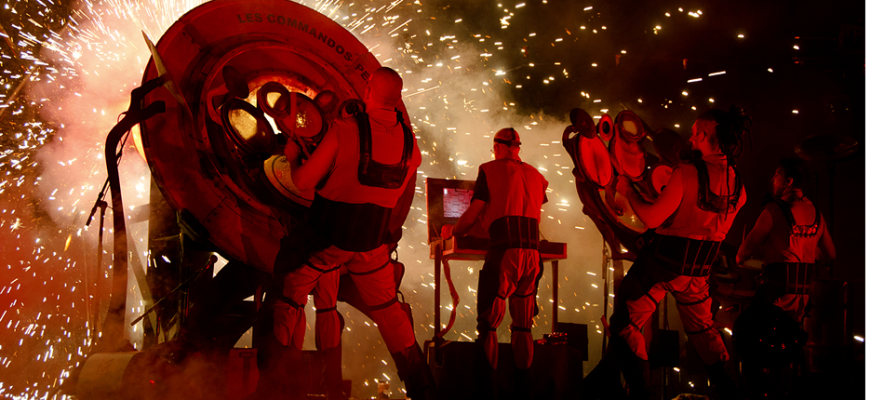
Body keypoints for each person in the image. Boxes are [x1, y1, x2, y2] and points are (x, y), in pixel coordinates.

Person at [252, 67, 433, 399]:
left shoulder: (344, 130)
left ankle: (270, 388)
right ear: (398, 98)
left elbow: (304, 182)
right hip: (371, 246)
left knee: (285, 295)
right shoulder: (410, 143)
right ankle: (423, 388)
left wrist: (292, 158)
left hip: (325, 241)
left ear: (368, 90)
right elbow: (400, 182)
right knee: (389, 312)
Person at [587, 108, 750, 400]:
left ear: (702, 135)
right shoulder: (739, 186)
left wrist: (628, 191)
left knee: (625, 324)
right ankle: (731, 394)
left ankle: (642, 395)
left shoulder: (686, 174)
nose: (689, 137)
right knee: (704, 333)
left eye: (694, 132)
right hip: (697, 275)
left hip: (661, 267)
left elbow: (651, 219)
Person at [441, 128, 549, 399]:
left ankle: (486, 391)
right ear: (518, 148)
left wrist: (451, 232)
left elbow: (473, 213)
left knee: (489, 323)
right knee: (523, 325)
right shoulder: (537, 175)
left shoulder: (489, 170)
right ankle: (524, 391)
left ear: (497, 147)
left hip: (505, 253)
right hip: (533, 255)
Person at [737, 158, 835, 322]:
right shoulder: (817, 214)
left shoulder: (773, 211)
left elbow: (741, 255)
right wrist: (805, 245)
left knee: (747, 330)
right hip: (802, 302)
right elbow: (830, 255)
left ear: (788, 181)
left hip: (776, 299)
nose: (772, 179)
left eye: (777, 175)